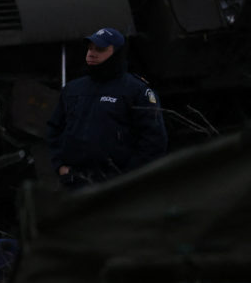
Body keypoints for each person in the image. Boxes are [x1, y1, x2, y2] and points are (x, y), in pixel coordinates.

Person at [47, 27, 167, 189]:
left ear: (116, 53)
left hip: (118, 188)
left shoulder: (136, 90)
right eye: (90, 48)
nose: (91, 53)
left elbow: (154, 142)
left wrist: (128, 177)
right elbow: (54, 129)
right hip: (75, 184)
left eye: (100, 49)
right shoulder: (73, 89)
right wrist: (60, 166)